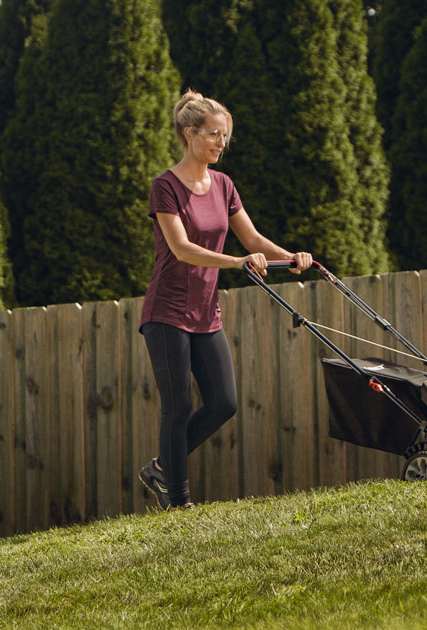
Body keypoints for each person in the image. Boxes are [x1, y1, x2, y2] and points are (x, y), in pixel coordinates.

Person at [136, 90, 312, 509]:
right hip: (167, 311)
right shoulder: (165, 188)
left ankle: (162, 467)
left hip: (205, 311)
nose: (220, 143)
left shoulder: (224, 185)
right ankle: (177, 500)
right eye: (214, 135)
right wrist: (237, 262)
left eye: (225, 137)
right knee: (177, 405)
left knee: (223, 403)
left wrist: (290, 257)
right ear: (189, 133)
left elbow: (251, 239)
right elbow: (181, 249)